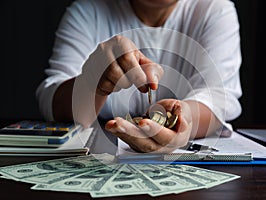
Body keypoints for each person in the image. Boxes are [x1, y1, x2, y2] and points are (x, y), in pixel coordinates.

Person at [36, 0, 242, 153]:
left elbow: (217, 97)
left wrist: (184, 118)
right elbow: (56, 102)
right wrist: (91, 82)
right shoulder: (86, 12)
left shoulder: (215, 9)